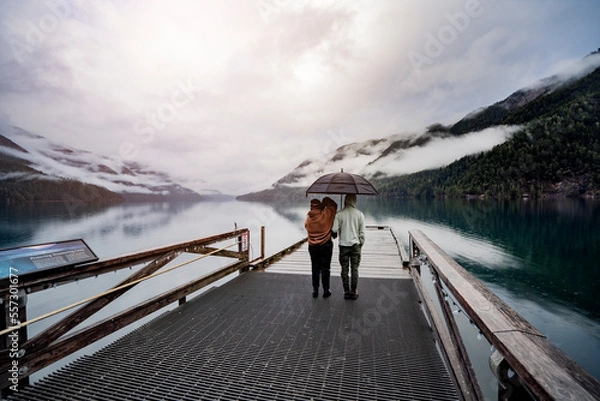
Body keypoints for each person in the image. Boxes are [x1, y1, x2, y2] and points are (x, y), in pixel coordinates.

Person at [332, 194, 365, 300]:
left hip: (343, 245)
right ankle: (354, 291)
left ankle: (346, 291)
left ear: (345, 200)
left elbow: (334, 230)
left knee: (344, 268)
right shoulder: (360, 215)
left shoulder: (339, 214)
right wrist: (360, 244)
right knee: (354, 268)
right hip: (355, 245)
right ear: (354, 200)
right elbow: (362, 234)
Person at [304, 197, 337, 298]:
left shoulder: (308, 218)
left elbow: (306, 226)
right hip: (325, 245)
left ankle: (315, 290)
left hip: (312, 246)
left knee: (315, 267)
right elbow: (334, 206)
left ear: (311, 206)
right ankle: (326, 290)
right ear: (320, 206)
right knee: (325, 268)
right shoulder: (325, 214)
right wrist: (326, 200)